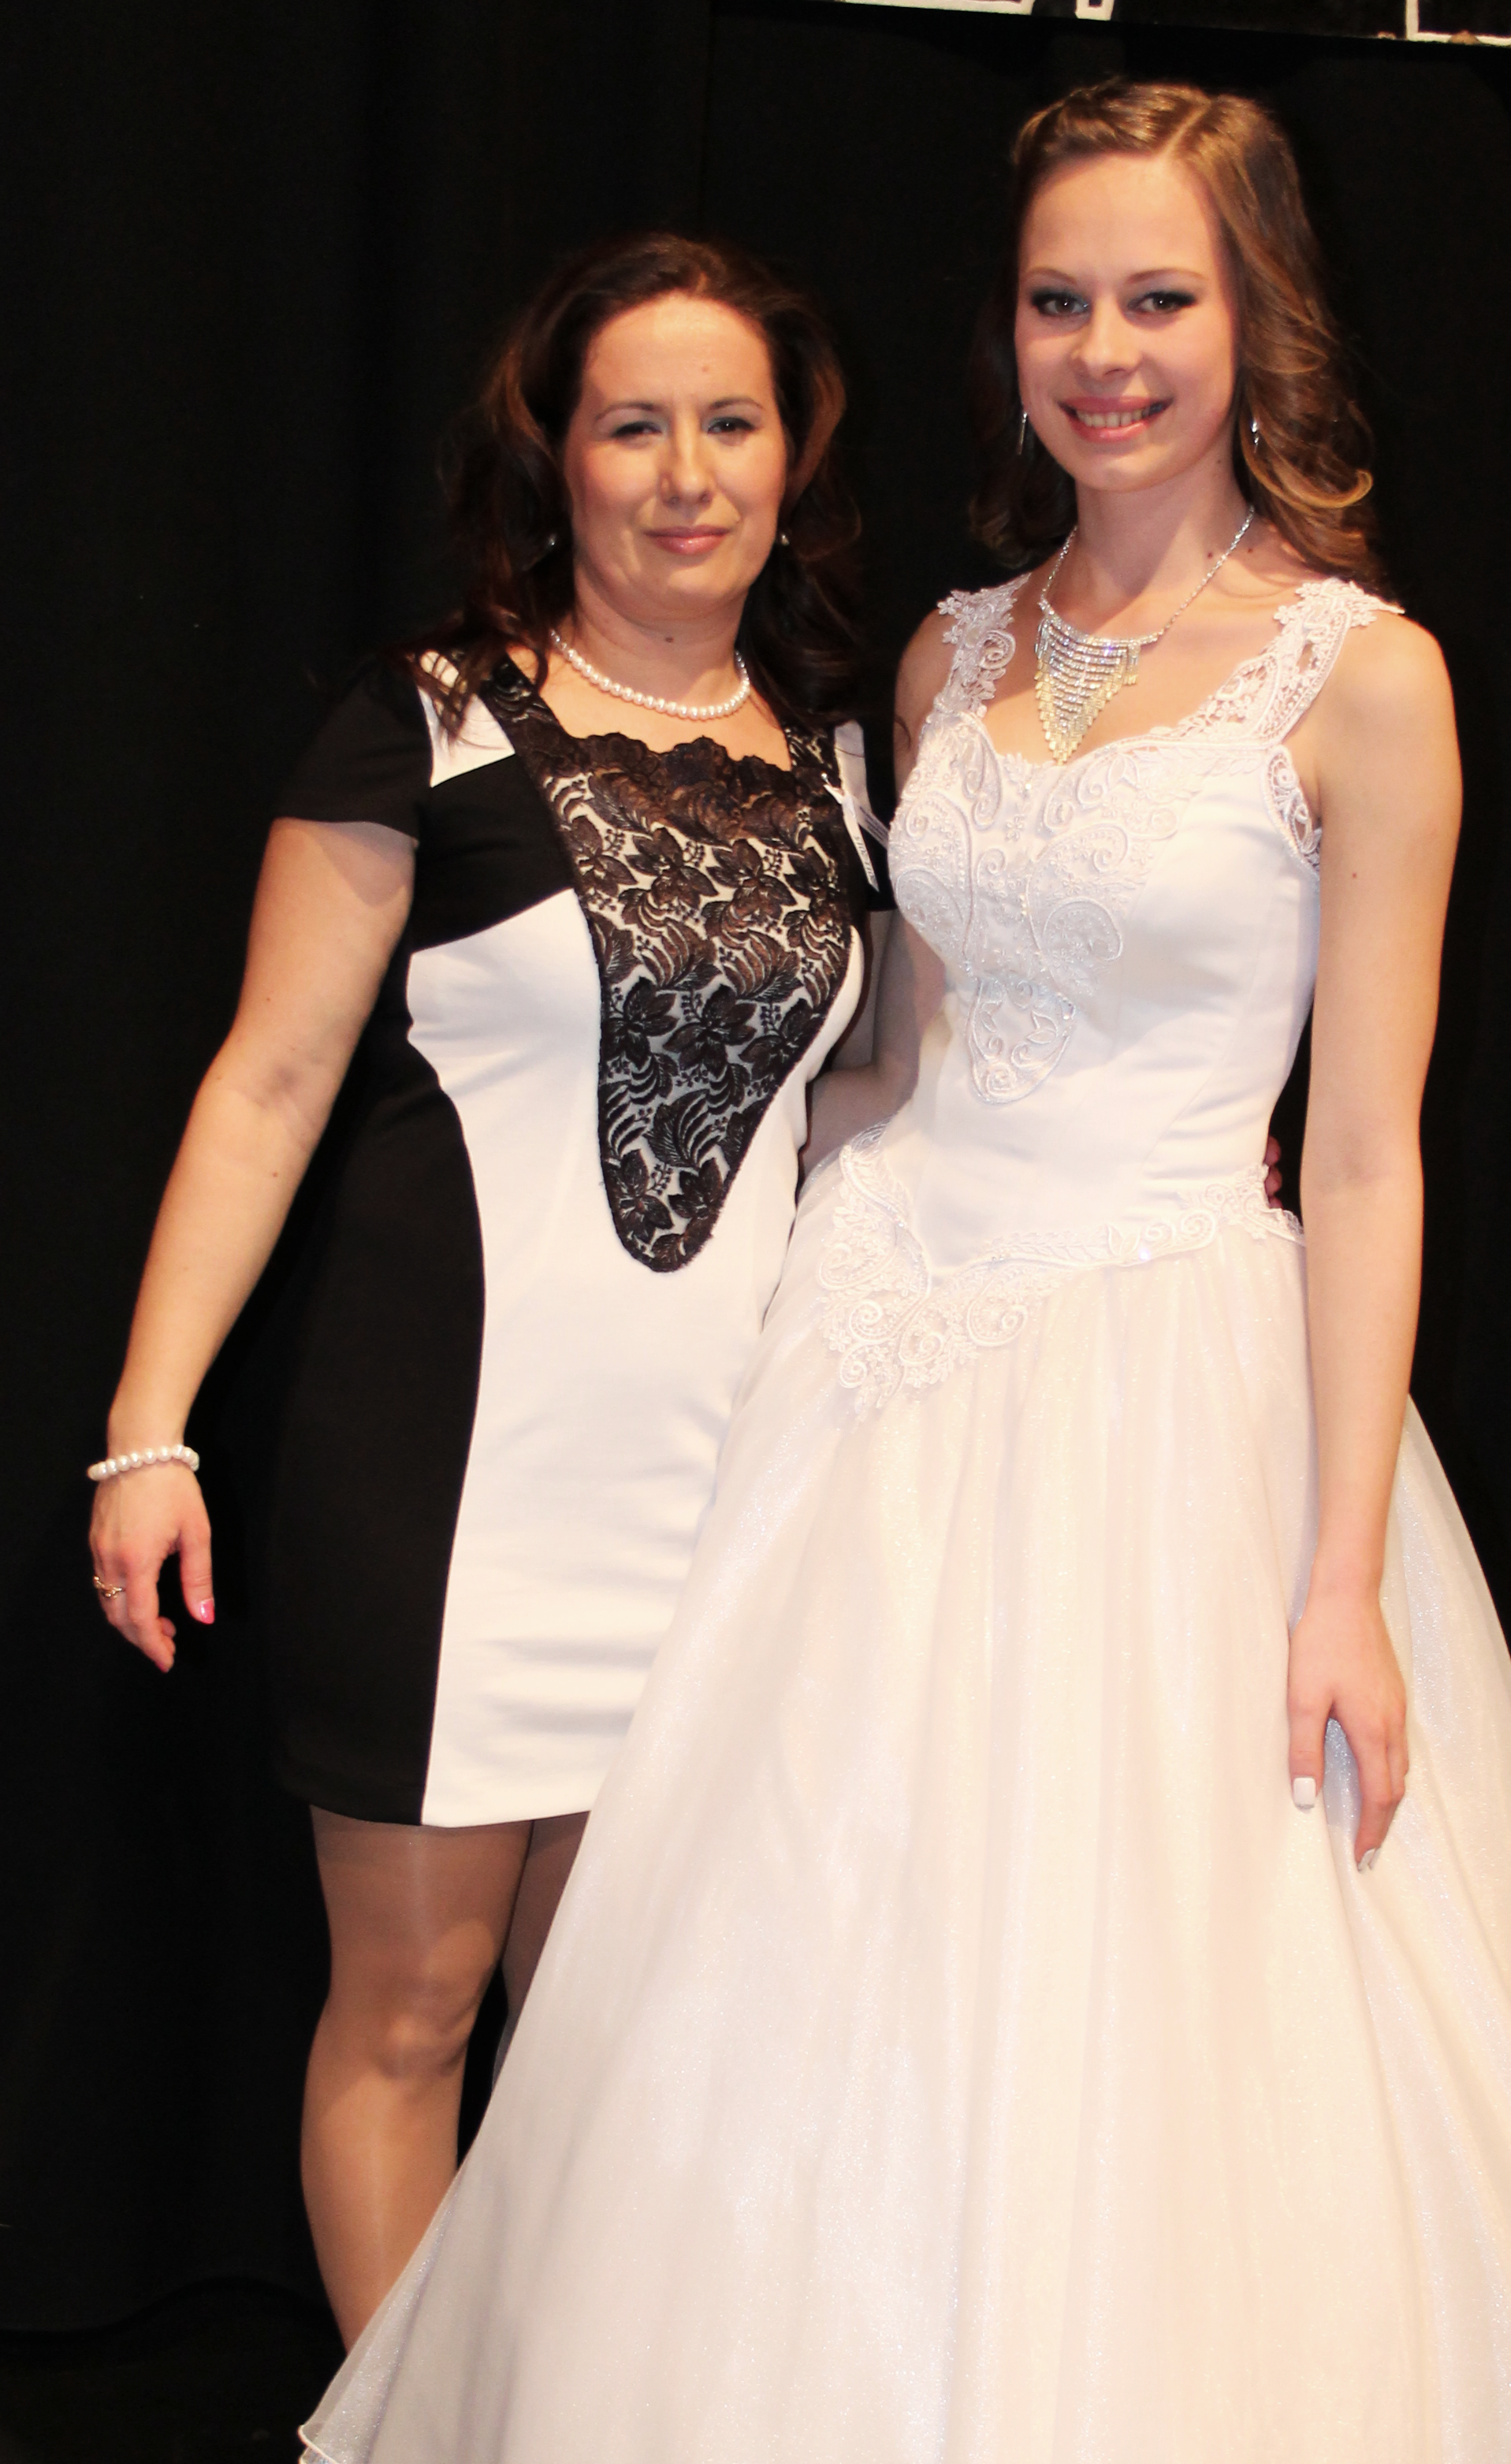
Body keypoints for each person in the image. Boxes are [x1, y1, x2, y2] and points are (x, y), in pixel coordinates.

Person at [296, 82, 1511, 2464]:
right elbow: (885, 1059)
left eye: (1160, 302)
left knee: (1153, 2073)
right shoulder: (949, 651)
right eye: (1062, 301)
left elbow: (1368, 1151)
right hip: (879, 1380)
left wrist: (1337, 1570)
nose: (1105, 355)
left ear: (1260, 328)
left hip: (1171, 1393)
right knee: (785, 2047)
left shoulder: (1362, 677)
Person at [87, 232, 904, 2340]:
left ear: (794, 461)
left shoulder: (843, 765)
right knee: (414, 2009)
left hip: (724, 1497)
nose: (687, 474)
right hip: (448, 1488)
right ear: (556, 458)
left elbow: (874, 1095)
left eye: (730, 424)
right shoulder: (427, 722)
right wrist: (148, 1433)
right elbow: (267, 1084)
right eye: (633, 426)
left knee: (640, 2037)